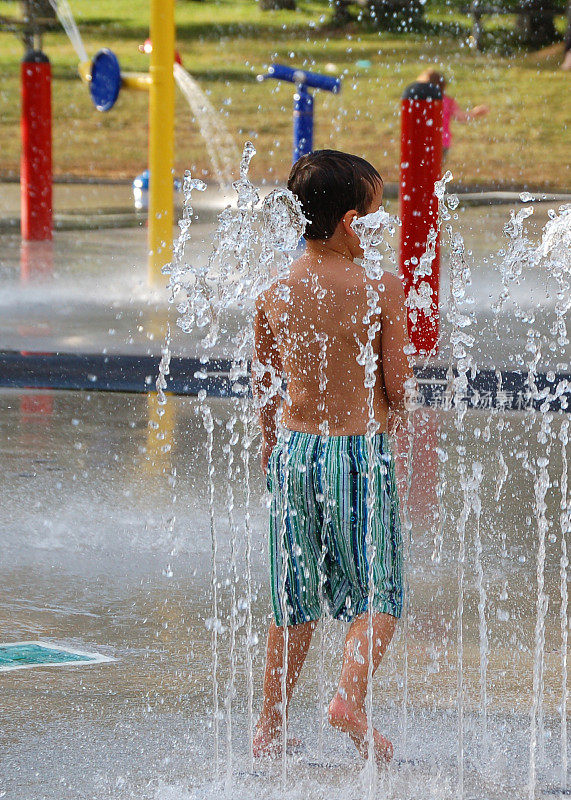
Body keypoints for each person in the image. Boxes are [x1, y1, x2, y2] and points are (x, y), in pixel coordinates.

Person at [252, 150, 413, 765]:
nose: (380, 227)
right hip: (357, 454)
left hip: (294, 453)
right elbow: (396, 387)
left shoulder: (274, 291)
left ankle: (268, 728)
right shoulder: (381, 289)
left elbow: (266, 388)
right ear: (351, 223)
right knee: (380, 593)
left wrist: (273, 451)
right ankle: (348, 698)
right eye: (375, 216)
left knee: (292, 599)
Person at [416, 68, 489, 159]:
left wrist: (475, 112)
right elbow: (462, 117)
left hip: (426, 143)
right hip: (441, 143)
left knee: (422, 170)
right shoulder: (447, 101)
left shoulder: (419, 102)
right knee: (434, 171)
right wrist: (474, 113)